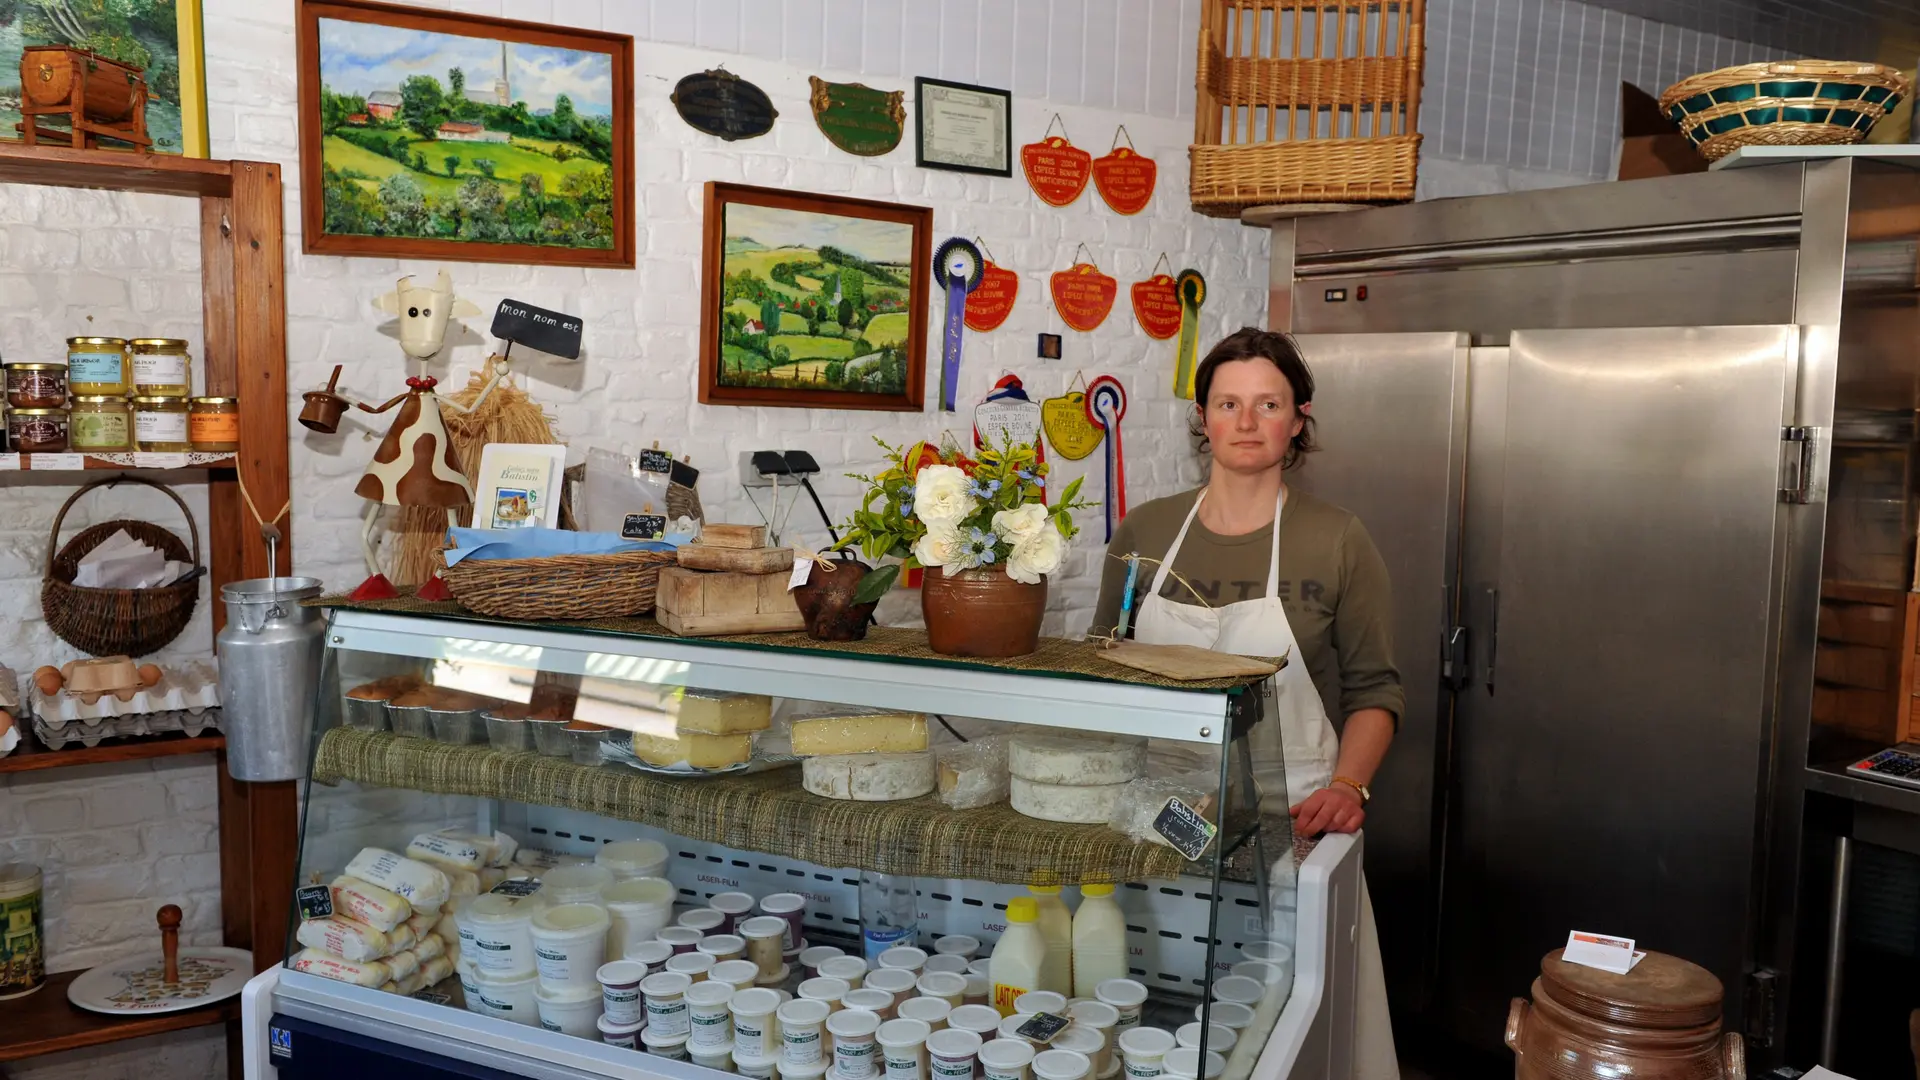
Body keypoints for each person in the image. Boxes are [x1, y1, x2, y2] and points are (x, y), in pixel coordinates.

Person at [1089, 327, 1401, 1079]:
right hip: (1158, 826)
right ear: (1203, 416)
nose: (1248, 421)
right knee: (1155, 1023)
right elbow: (1098, 667)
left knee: (1288, 1034)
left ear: (1299, 418)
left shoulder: (1337, 540)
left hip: (1288, 831)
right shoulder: (1146, 532)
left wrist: (1346, 787)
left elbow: (1375, 691)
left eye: (1269, 403)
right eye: (1229, 403)